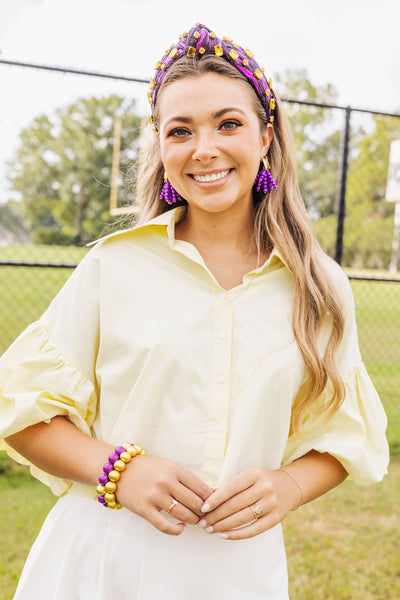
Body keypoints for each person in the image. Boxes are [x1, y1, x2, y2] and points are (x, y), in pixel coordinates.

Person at [0, 23, 389, 600]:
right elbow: (22, 414)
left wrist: (289, 486)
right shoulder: (114, 267)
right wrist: (119, 471)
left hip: (237, 572)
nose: (204, 149)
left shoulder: (319, 286)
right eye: (180, 131)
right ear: (163, 146)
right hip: (104, 561)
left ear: (266, 136)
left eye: (228, 124)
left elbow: (343, 436)